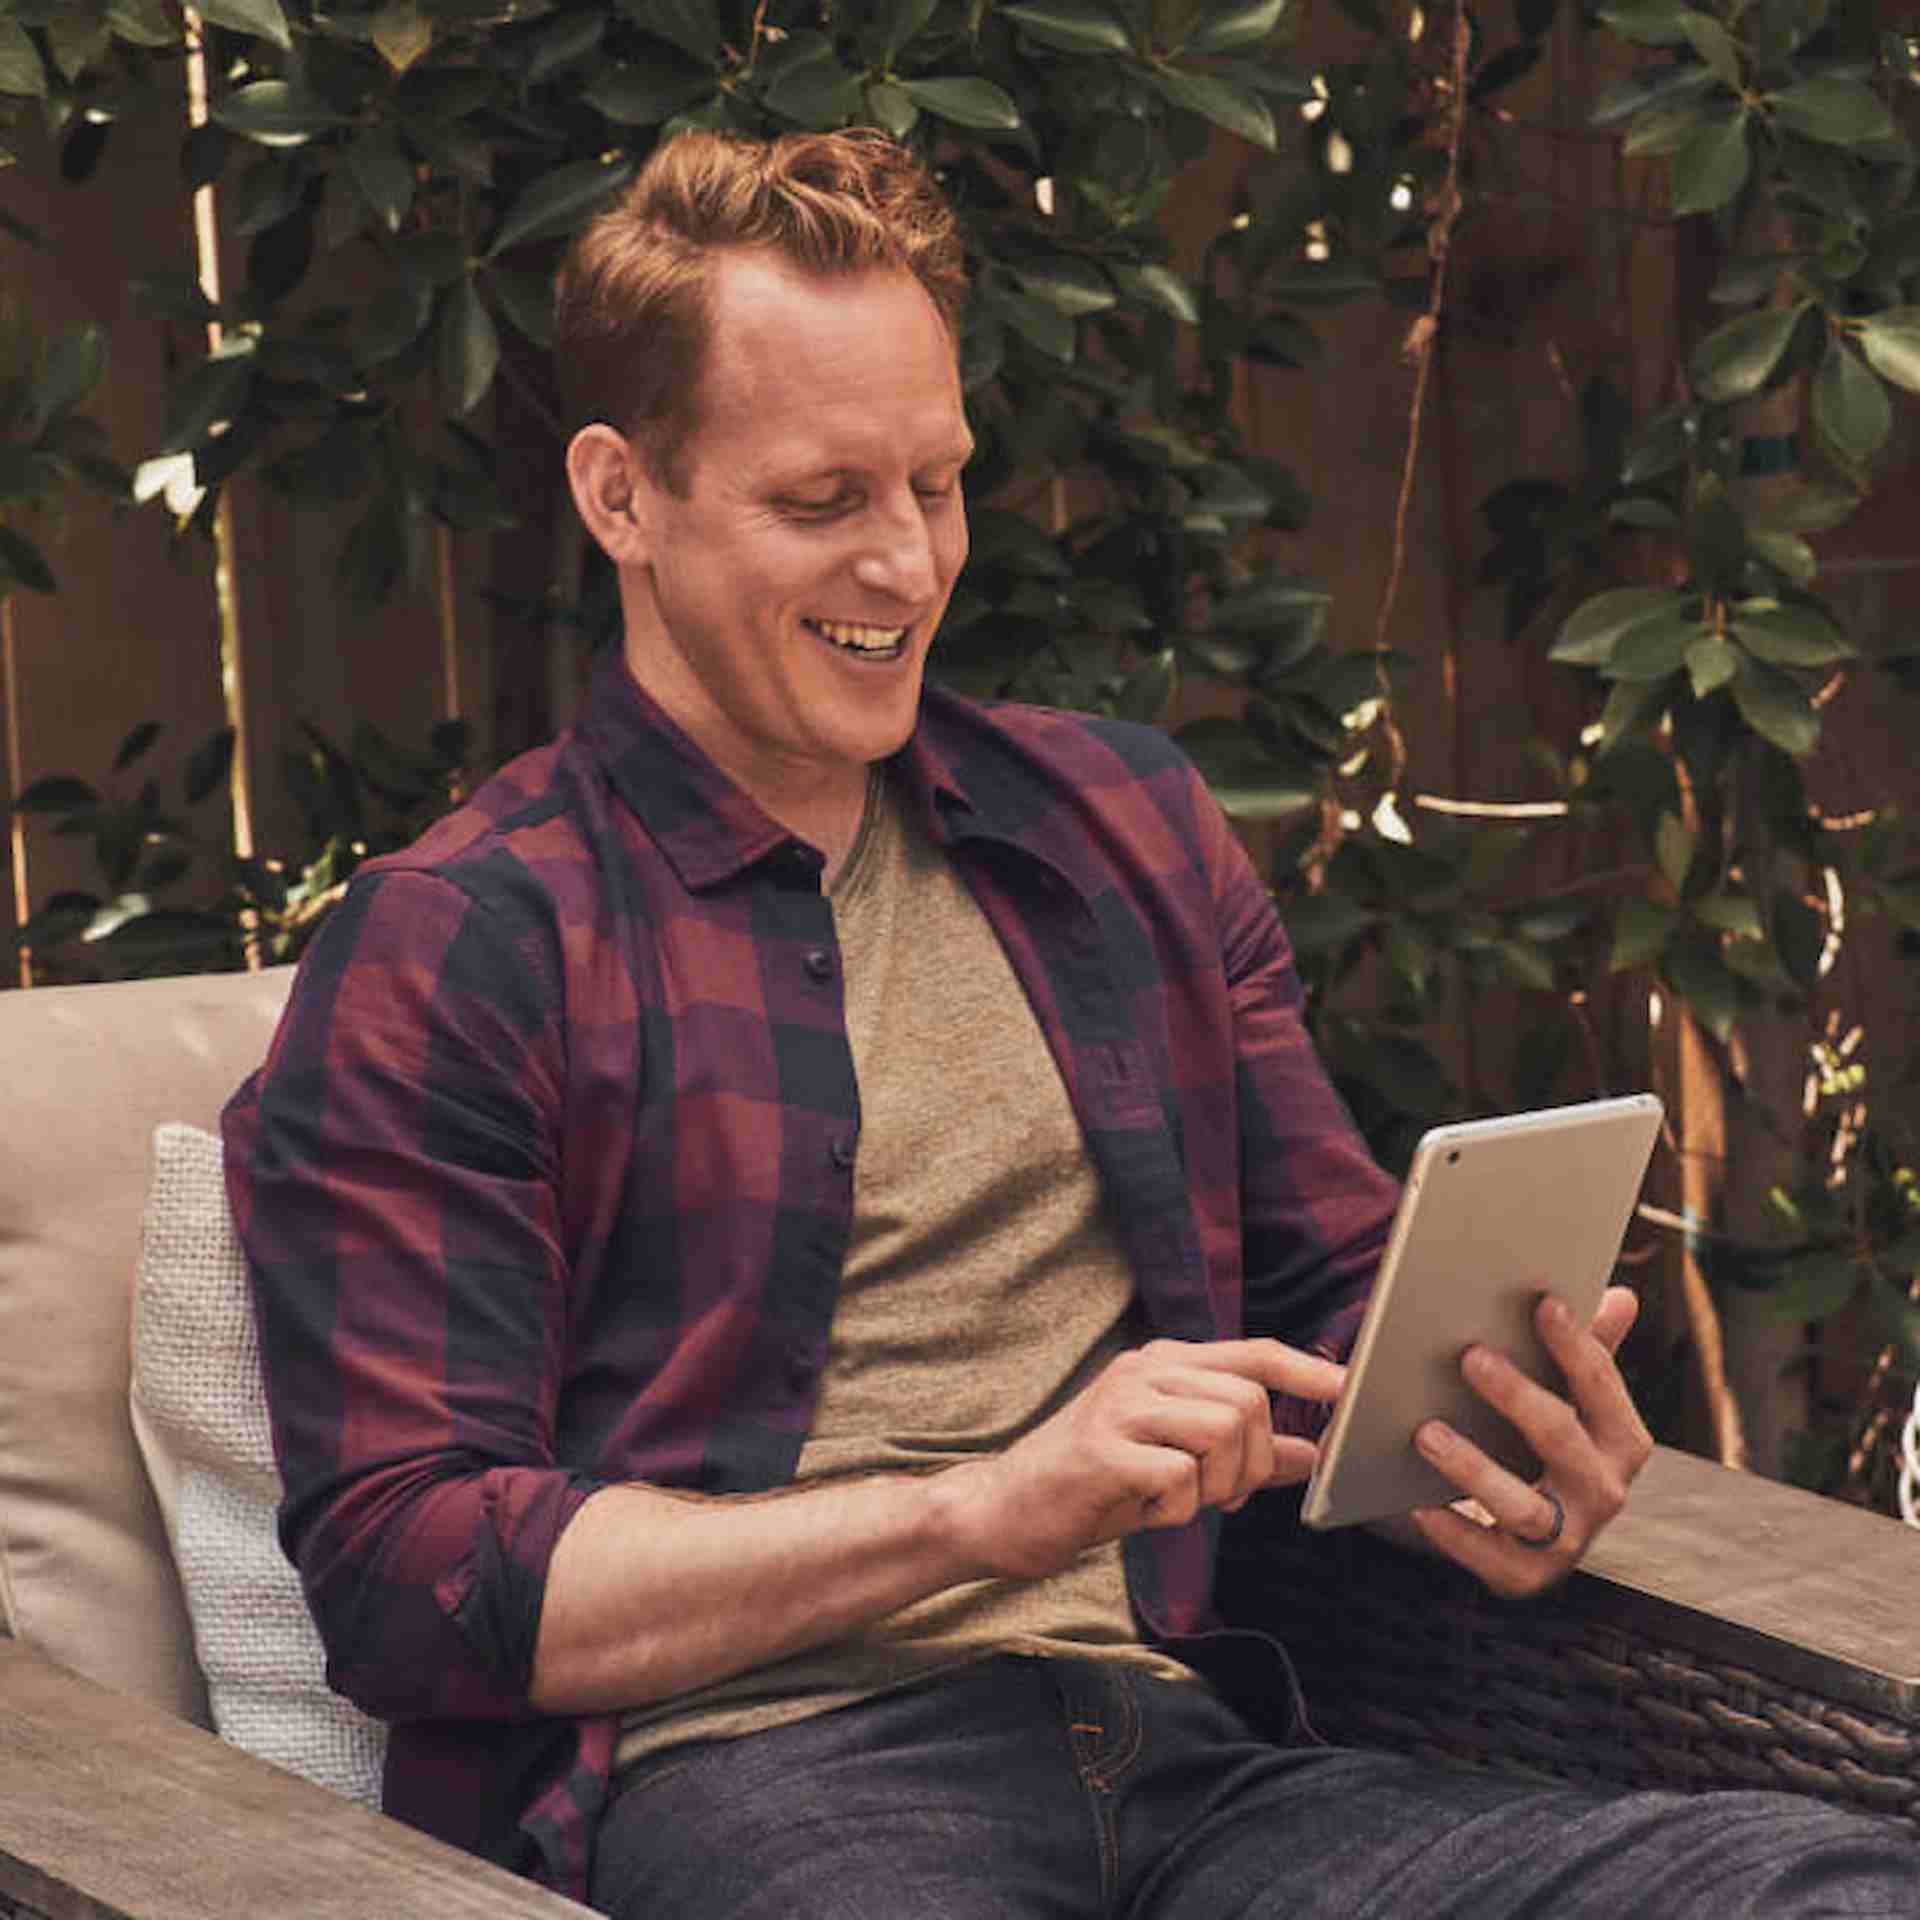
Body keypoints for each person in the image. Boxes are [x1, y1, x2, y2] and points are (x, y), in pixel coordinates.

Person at [223, 129, 1916, 1918]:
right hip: (774, 1788)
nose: (905, 565)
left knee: (1835, 1891)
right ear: (622, 496)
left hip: (1198, 1762)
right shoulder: (465, 945)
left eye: (937, 485)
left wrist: (1477, 1444)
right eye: (822, 502)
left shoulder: (1120, 831)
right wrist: (984, 1509)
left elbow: (1335, 1294)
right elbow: (412, 1574)